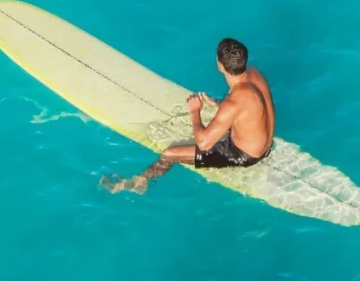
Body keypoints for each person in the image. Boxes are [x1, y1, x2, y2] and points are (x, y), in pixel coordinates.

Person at [100, 37, 276, 194]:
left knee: (169, 153)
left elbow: (204, 143)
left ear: (220, 65)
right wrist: (220, 106)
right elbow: (249, 106)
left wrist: (195, 110)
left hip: (245, 155)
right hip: (266, 144)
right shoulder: (254, 73)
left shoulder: (233, 102)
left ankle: (142, 181)